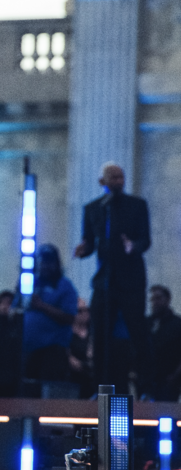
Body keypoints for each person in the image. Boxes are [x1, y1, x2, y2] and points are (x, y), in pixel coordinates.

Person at [74, 162, 152, 395]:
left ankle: (146, 388)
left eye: (121, 177)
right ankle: (101, 388)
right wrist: (83, 250)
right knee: (100, 336)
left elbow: (145, 240)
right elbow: (89, 242)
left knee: (138, 334)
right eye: (114, 177)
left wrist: (133, 246)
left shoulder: (137, 205)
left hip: (131, 281)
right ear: (102, 182)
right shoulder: (93, 209)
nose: (119, 181)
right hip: (105, 282)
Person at [22, 244, 78, 383]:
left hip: (53, 352)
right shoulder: (31, 283)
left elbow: (69, 317)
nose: (45, 266)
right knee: (28, 390)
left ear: (56, 264)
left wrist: (42, 306)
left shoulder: (65, 286)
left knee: (49, 391)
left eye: (49, 262)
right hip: (28, 350)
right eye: (42, 262)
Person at [147, 285, 181, 401]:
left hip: (169, 380)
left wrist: (175, 376)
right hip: (148, 380)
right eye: (152, 299)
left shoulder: (177, 324)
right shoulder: (147, 323)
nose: (155, 303)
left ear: (167, 299)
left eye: (158, 298)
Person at [68, 298, 93, 398]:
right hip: (72, 377)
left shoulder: (93, 333)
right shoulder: (68, 333)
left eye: (87, 310)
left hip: (91, 375)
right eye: (80, 311)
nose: (84, 314)